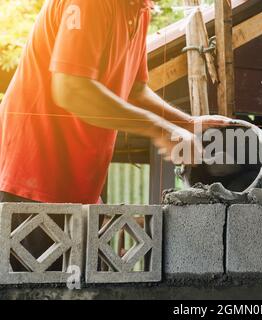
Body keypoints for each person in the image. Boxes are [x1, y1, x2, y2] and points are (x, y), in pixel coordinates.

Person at [0, 0, 230, 266]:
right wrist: (161, 130)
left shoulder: (139, 10)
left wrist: (189, 123)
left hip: (80, 187)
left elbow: (135, 90)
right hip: (30, 181)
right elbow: (70, 89)